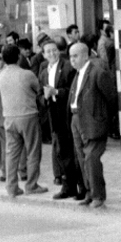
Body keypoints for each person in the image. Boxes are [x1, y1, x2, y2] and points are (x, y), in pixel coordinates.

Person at [68, 42, 117, 208]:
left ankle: (98, 194)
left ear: (85, 55)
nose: (72, 60)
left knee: (91, 157)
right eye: (70, 57)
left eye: (75, 56)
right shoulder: (77, 74)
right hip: (76, 119)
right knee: (82, 158)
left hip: (94, 121)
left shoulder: (97, 73)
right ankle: (89, 192)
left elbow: (111, 97)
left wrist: (103, 118)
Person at [0, 44, 47, 198]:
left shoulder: (1, 75)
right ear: (18, 57)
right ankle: (31, 185)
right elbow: (39, 90)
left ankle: (11, 186)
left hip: (9, 117)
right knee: (33, 151)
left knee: (11, 153)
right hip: (28, 115)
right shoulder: (27, 74)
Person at [38, 39, 80, 200]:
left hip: (68, 113)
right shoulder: (43, 72)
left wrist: (57, 92)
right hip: (54, 116)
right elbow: (40, 96)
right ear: (43, 55)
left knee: (73, 152)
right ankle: (67, 186)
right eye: (48, 51)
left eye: (54, 50)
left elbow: (73, 90)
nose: (52, 53)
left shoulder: (68, 67)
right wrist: (46, 97)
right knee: (61, 153)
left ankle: (79, 187)